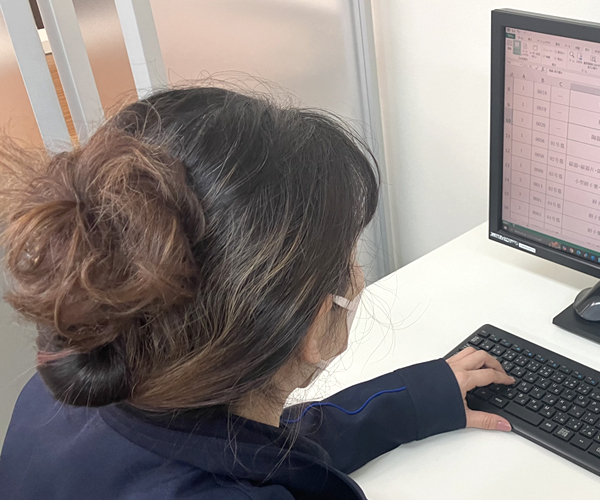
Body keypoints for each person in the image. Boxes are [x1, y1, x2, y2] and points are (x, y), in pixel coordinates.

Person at [0, 87, 513, 499]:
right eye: (349, 255)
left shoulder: (69, 390)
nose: (357, 276)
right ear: (314, 325)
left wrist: (413, 400)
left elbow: (245, 446)